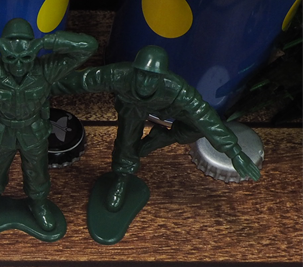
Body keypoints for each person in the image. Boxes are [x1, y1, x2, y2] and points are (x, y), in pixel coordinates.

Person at [53, 45, 261, 211]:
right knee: (127, 142)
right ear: (134, 70)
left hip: (169, 109)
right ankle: (122, 177)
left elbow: (204, 115)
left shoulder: (176, 88)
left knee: (199, 128)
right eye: (141, 74)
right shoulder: (119, 74)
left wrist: (234, 152)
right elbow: (84, 80)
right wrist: (44, 86)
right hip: (133, 108)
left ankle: (162, 138)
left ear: (162, 76)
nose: (145, 81)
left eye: (152, 76)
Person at [0, 19, 97, 232]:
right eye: (11, 58)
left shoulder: (45, 69)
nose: (18, 65)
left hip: (33, 131)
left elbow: (88, 47)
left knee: (37, 171)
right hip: (2, 131)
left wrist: (44, 42)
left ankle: (38, 204)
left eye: (25, 58)